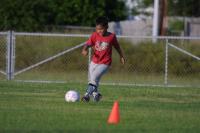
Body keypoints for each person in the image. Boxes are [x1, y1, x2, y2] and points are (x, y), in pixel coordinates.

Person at [81, 16, 125, 102]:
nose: (99, 31)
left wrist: (121, 56)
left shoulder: (112, 37)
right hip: (94, 61)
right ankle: (96, 95)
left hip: (105, 63)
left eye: (101, 29)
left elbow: (117, 47)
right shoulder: (94, 35)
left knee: (93, 77)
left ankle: (86, 96)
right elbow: (88, 43)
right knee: (92, 80)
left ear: (106, 27)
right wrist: (84, 49)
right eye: (97, 29)